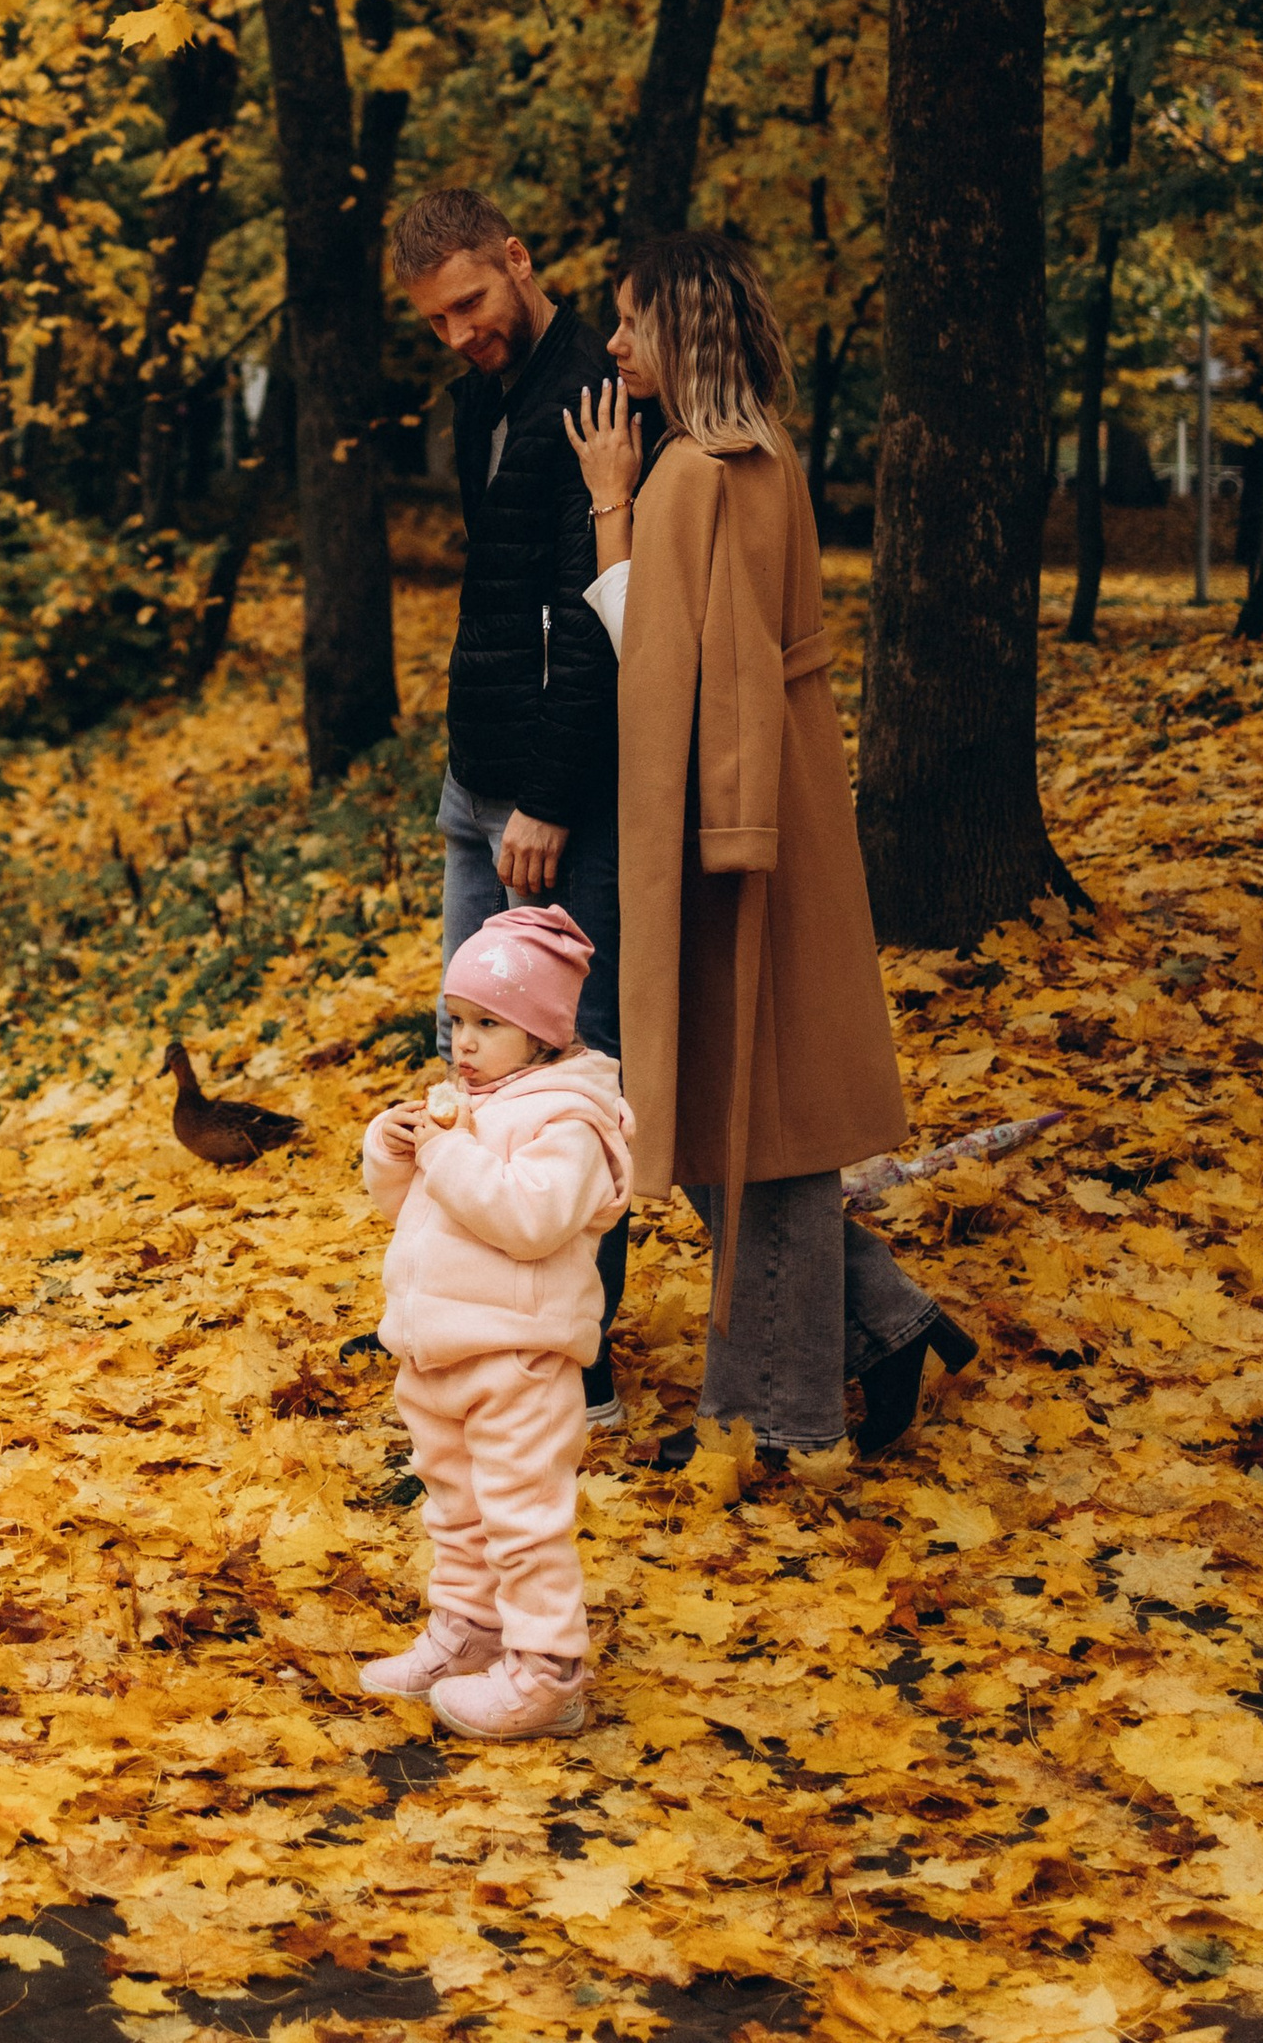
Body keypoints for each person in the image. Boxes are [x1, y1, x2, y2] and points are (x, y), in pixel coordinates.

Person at [565, 230, 976, 1462]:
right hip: (765, 791)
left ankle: (775, 1418)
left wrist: (605, 503)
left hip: (731, 818)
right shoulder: (753, 453)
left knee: (756, 1118)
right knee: (738, 1107)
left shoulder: (696, 471)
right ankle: (885, 1330)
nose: (615, 343)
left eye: (633, 321)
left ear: (683, 329)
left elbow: (668, 658)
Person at [391, 188, 630, 1421]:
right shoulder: (478, 394)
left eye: (470, 305)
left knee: (563, 1083)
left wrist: (547, 797)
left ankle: (576, 1378)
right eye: (434, 321)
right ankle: (488, 1339)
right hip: (470, 778)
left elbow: (597, 613)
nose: (458, 335)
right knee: (466, 1069)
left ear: (520, 261)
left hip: (553, 799)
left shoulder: (594, 389)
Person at [357, 906, 633, 1741]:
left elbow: (529, 1218)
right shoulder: (471, 1102)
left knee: (522, 1522)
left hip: (517, 1360)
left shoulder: (569, 1120)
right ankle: (470, 1634)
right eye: (457, 1022)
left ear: (544, 1033)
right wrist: (395, 1146)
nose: (463, 1043)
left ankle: (548, 1671)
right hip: (437, 1352)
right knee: (457, 1510)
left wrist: (446, 1151)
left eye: (488, 1024)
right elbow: (406, 1204)